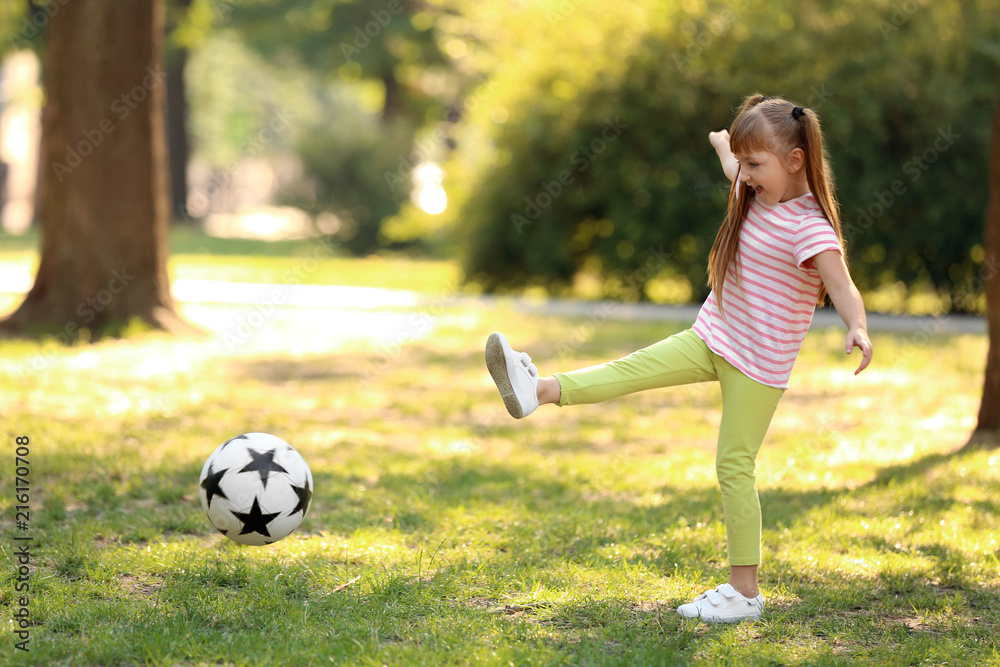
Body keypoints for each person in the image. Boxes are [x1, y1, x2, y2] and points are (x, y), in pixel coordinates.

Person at [484, 93, 873, 623]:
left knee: (733, 465)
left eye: (756, 164)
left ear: (796, 160)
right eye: (746, 164)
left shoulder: (811, 229)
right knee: (629, 370)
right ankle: (539, 390)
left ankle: (745, 593)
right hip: (711, 334)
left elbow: (843, 286)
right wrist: (726, 142)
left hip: (757, 367)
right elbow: (732, 162)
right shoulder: (753, 187)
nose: (747, 175)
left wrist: (857, 326)